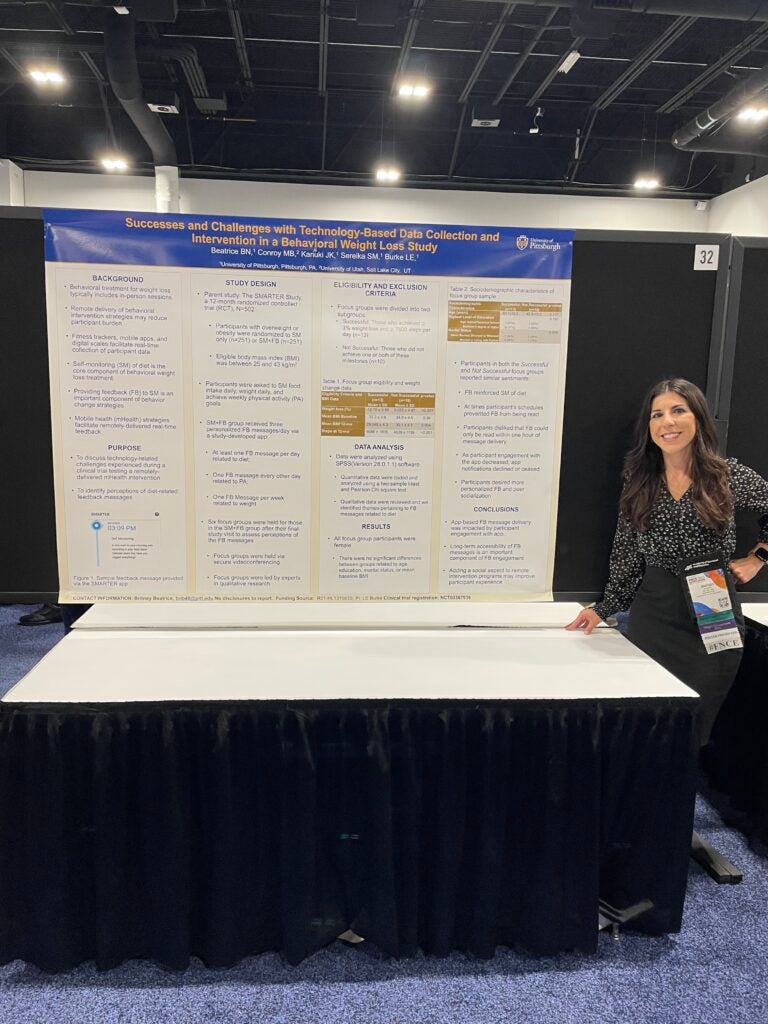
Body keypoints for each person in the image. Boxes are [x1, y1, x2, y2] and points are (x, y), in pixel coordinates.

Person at [566, 378, 768, 749]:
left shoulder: (727, 475)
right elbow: (626, 549)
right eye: (657, 414)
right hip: (654, 609)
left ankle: (682, 800)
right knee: (649, 719)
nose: (667, 422)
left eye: (678, 410)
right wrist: (604, 607)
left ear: (698, 418)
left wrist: (758, 558)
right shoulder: (640, 477)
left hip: (713, 606)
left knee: (694, 724)